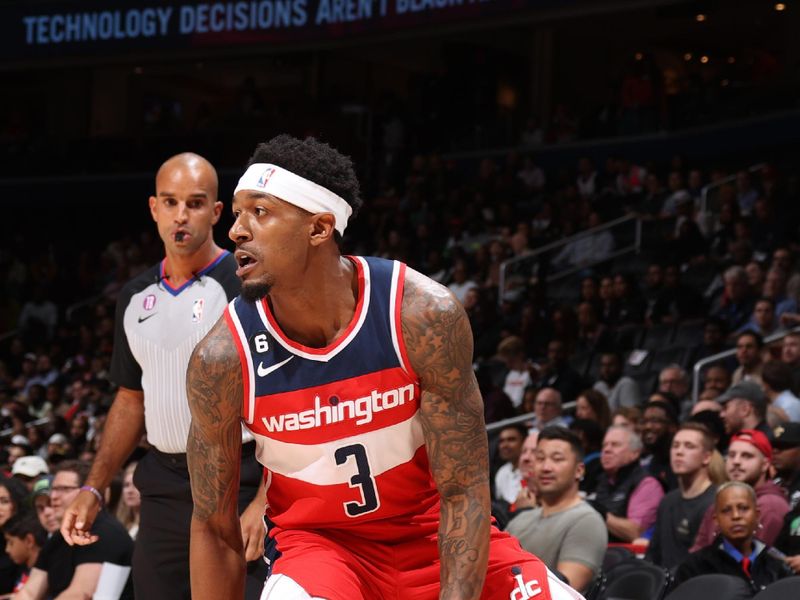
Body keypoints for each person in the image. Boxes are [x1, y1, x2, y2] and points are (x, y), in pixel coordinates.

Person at [184, 135, 584, 599]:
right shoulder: (222, 358)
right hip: (324, 552)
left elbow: (463, 492)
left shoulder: (420, 316)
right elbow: (214, 526)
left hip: (437, 537)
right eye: (236, 213)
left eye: (261, 212)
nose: (236, 230)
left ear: (319, 229)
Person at [59, 152, 267, 600]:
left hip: (240, 478)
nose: (181, 215)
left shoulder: (248, 285)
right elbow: (130, 400)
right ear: (154, 208)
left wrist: (266, 499)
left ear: (216, 212)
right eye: (170, 202)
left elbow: (283, 393)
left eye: (194, 203)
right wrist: (95, 486)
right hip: (165, 486)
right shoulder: (133, 296)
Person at [506, 427, 607, 594]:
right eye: (540, 458)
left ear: (579, 470)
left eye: (557, 459)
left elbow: (564, 591)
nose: (546, 467)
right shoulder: (520, 520)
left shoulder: (587, 520)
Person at [15, 460, 134, 600]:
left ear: (87, 493)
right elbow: (29, 593)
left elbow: (80, 594)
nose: (53, 497)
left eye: (64, 489)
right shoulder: (57, 539)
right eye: (54, 489)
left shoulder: (106, 532)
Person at [674, 482, 793, 593]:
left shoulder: (777, 563)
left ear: (757, 515)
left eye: (743, 508)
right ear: (716, 520)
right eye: (726, 510)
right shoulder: (695, 567)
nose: (736, 516)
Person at [691, 429, 790, 550]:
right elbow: (697, 552)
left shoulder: (770, 505)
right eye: (731, 455)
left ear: (765, 465)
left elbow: (757, 560)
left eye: (747, 456)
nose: (736, 462)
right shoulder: (720, 501)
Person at [645, 423, 716, 569]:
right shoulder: (667, 501)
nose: (679, 452)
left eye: (689, 446)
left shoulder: (715, 502)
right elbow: (653, 555)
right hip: (663, 585)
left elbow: (705, 562)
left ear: (707, 457)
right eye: (675, 446)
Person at [589, 425, 664, 542]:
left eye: (615, 445)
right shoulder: (600, 480)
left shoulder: (647, 484)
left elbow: (636, 532)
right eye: (604, 445)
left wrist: (599, 513)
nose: (606, 450)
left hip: (627, 556)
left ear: (634, 453)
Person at [3, 514, 47, 594]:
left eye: (11, 542)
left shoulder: (44, 576)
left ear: (29, 541)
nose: (7, 549)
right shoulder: (23, 569)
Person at [115, 462, 141, 539]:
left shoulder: (151, 526)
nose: (130, 491)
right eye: (126, 485)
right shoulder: (120, 523)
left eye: (136, 485)